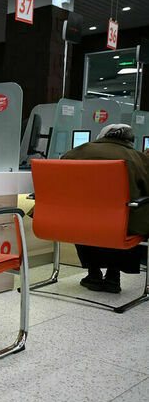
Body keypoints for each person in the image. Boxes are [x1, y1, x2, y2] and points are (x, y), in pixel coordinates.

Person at [62, 123, 149, 293]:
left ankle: (93, 273)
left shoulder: (74, 153)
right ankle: (113, 275)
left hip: (78, 221)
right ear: (130, 140)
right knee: (130, 216)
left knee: (84, 216)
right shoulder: (139, 159)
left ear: (102, 136)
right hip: (123, 224)